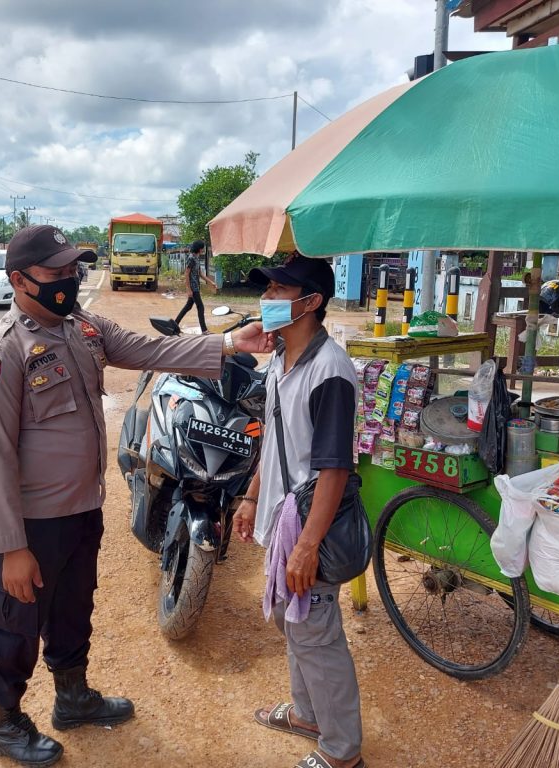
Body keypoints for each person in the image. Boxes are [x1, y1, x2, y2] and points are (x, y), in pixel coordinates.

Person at [0, 224, 272, 767]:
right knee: (16, 622)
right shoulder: (0, 355)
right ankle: (3, 722)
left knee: (73, 609)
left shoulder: (82, 328)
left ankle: (73, 698)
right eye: (55, 273)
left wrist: (226, 343)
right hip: (31, 522)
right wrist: (10, 546)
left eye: (72, 269)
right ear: (19, 279)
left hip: (81, 509)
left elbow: (150, 347)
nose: (68, 280)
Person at [233, 255, 366, 768]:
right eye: (266, 290)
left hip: (314, 526)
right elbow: (275, 436)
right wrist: (251, 497)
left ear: (310, 303)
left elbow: (333, 469)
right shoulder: (280, 358)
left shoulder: (330, 370)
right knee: (295, 624)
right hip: (283, 516)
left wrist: (307, 546)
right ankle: (309, 714)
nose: (265, 300)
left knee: (315, 632)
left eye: (278, 291)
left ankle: (341, 751)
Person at [174, 240, 215, 333]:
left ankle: (175, 325)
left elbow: (200, 274)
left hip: (196, 286)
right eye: (202, 248)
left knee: (188, 306)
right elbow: (186, 273)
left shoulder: (196, 258)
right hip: (193, 287)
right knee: (200, 307)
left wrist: (211, 282)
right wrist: (188, 289)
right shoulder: (191, 258)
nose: (203, 250)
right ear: (199, 248)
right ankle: (204, 330)